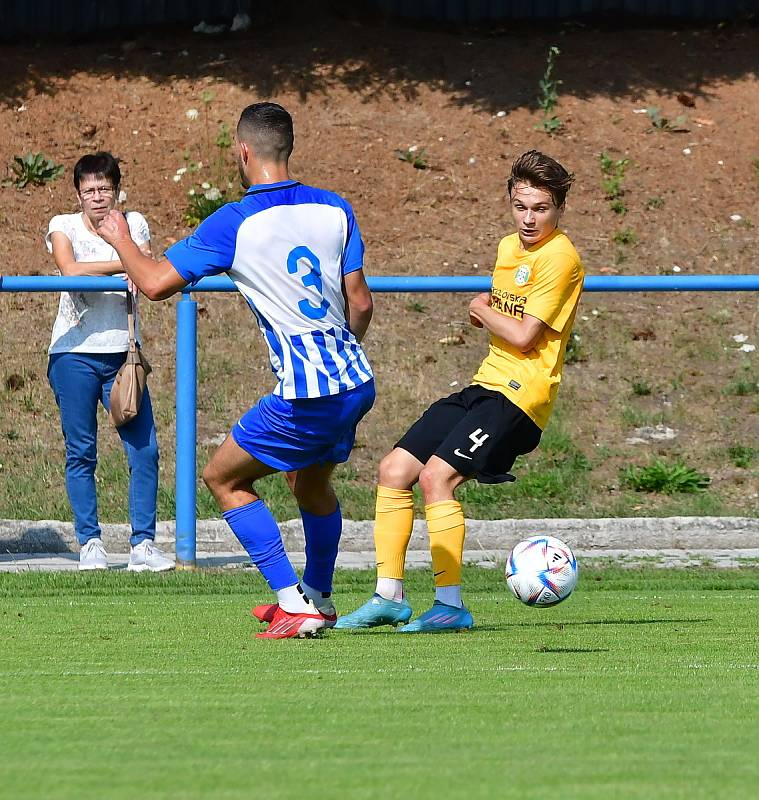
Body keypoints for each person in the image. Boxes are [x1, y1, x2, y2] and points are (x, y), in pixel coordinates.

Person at [97, 102, 374, 639]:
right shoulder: (335, 208)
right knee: (310, 482)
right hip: (356, 380)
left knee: (223, 477)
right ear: (287, 148)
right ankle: (317, 596)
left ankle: (294, 601)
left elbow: (154, 283)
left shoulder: (235, 221)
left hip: (307, 393)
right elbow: (359, 302)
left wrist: (119, 237)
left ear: (243, 152)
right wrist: (337, 353)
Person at [336, 150, 584, 633]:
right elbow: (503, 315)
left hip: (520, 397)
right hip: (486, 383)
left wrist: (480, 308)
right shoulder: (508, 248)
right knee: (393, 470)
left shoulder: (561, 257)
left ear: (558, 210)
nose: (529, 218)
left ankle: (450, 605)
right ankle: (388, 596)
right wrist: (490, 310)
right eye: (521, 206)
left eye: (541, 208)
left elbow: (522, 335)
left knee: (436, 479)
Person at [46, 151, 173, 572]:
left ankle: (143, 543)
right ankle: (90, 543)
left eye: (104, 189)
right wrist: (125, 264)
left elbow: (149, 268)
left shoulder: (131, 223)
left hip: (123, 354)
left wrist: (129, 265)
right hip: (73, 353)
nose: (97, 197)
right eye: (89, 190)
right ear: (78, 194)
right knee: (81, 451)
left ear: (116, 190)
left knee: (144, 449)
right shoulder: (61, 225)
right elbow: (69, 269)